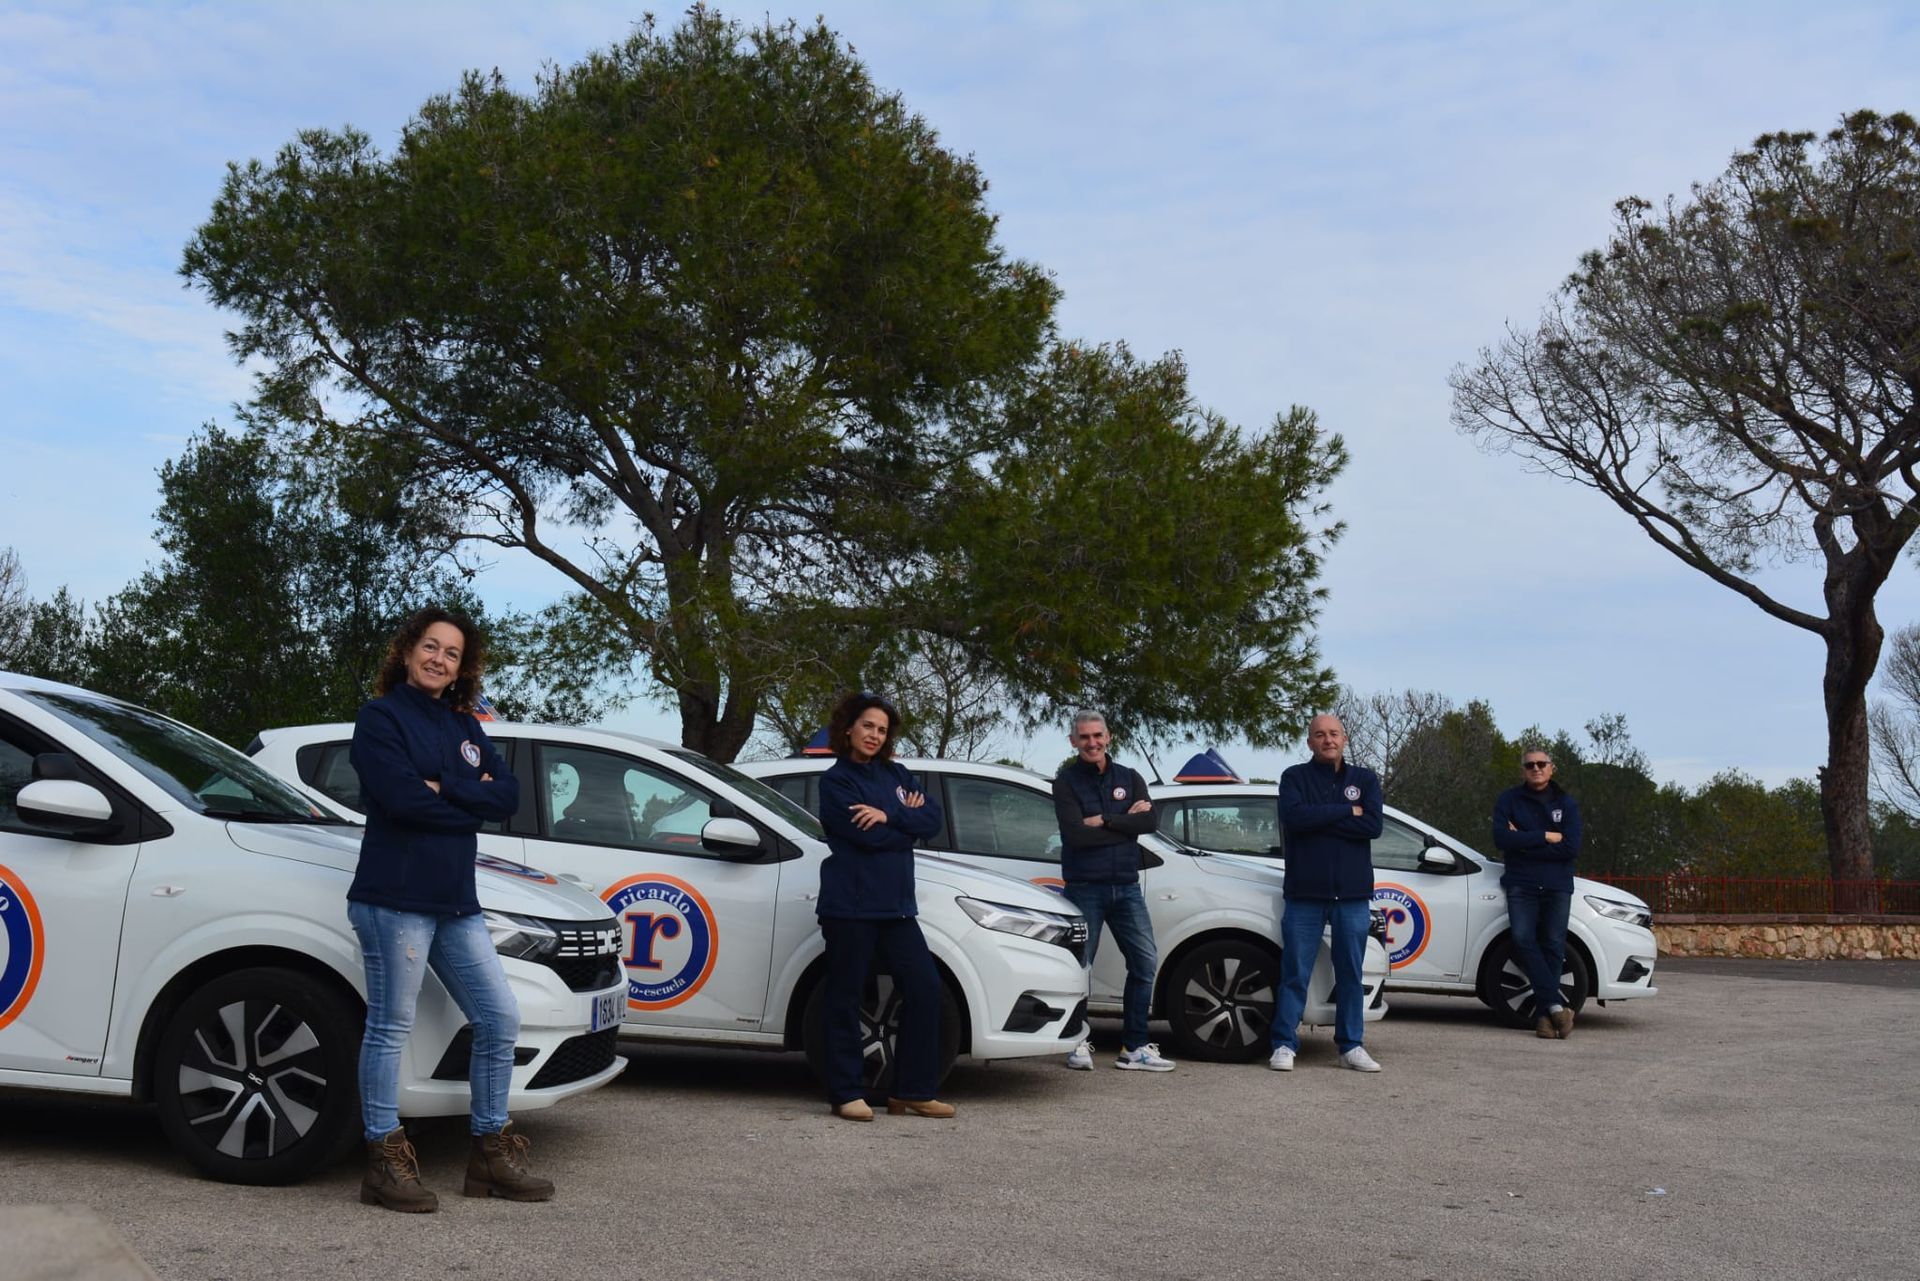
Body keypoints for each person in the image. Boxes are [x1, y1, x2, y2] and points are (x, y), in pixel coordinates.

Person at [347, 607, 553, 1211]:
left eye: (452, 653)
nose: (439, 659)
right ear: (408, 651)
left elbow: (508, 796)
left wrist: (448, 788)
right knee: (390, 1028)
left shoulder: (464, 724)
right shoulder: (380, 718)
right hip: (394, 899)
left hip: (455, 902)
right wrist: (468, 798)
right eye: (430, 647)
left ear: (462, 667)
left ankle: (489, 1154)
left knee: (498, 1018)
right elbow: (403, 801)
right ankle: (383, 1160)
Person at [816, 691, 955, 1121]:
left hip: (897, 909)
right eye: (867, 726)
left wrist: (890, 815)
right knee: (843, 997)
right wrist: (902, 819)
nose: (874, 735)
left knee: (926, 989)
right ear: (849, 729)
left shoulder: (899, 773)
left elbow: (931, 820)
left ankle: (911, 1091)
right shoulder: (836, 781)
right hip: (850, 907)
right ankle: (846, 1092)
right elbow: (866, 837)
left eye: (881, 729)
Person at [1052, 710, 1174, 1072]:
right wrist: (1126, 823)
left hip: (1126, 887)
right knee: (1078, 967)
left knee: (1144, 963)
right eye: (1084, 737)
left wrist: (1105, 819)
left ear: (1109, 737)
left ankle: (1134, 1047)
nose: (1092, 742)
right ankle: (1077, 1043)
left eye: (1097, 735)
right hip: (1084, 887)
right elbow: (1076, 835)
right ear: (1074, 742)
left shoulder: (1130, 777)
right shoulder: (1066, 782)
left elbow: (1149, 821)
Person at [1271, 713, 1382, 1072]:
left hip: (1351, 895)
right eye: (1320, 735)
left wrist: (1322, 817)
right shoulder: (1294, 777)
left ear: (1344, 738)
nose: (1327, 740)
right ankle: (1284, 1044)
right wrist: (1347, 811)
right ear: (1309, 742)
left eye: (1333, 733)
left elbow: (1373, 825)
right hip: (1305, 894)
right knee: (1294, 973)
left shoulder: (1364, 778)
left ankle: (1351, 1046)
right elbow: (1294, 819)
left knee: (1350, 974)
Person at [1493, 749, 1584, 1038]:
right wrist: (1544, 835)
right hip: (1521, 883)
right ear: (1523, 770)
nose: (1536, 768)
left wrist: (1523, 839)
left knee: (1554, 945)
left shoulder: (1566, 804)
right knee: (1522, 939)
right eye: (1530, 765)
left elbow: (1571, 848)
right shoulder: (1509, 799)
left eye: (1541, 764)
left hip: (1557, 885)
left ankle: (1546, 1017)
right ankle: (1557, 1008)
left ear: (1551, 768)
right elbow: (1501, 838)